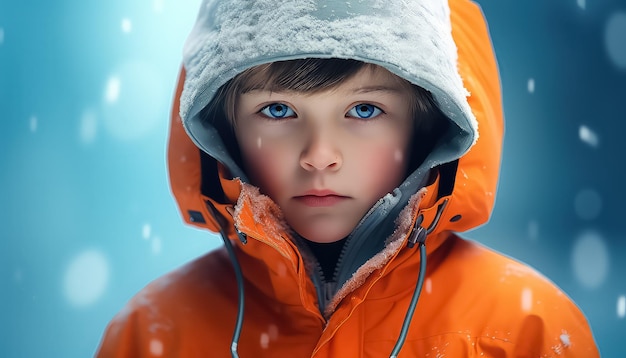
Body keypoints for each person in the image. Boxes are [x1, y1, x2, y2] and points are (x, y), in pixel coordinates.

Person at [96, 0, 600, 356]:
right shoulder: (155, 333)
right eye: (277, 110)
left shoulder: (523, 332)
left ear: (429, 123)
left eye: (363, 109)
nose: (319, 156)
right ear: (221, 129)